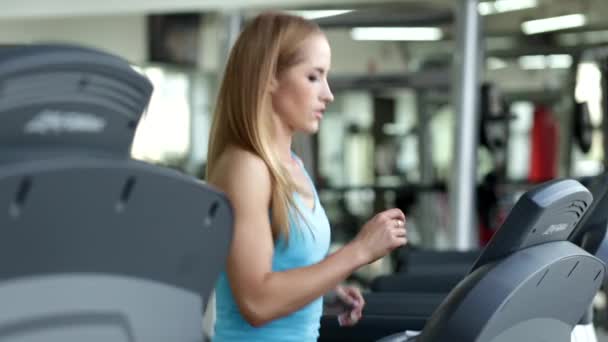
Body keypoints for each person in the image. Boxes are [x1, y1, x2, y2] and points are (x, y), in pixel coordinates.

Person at [205, 11, 407, 342]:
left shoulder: (293, 165)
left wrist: (322, 291)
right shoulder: (247, 167)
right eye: (314, 77)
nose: (327, 93)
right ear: (269, 76)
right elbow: (255, 302)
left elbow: (280, 272)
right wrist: (357, 252)